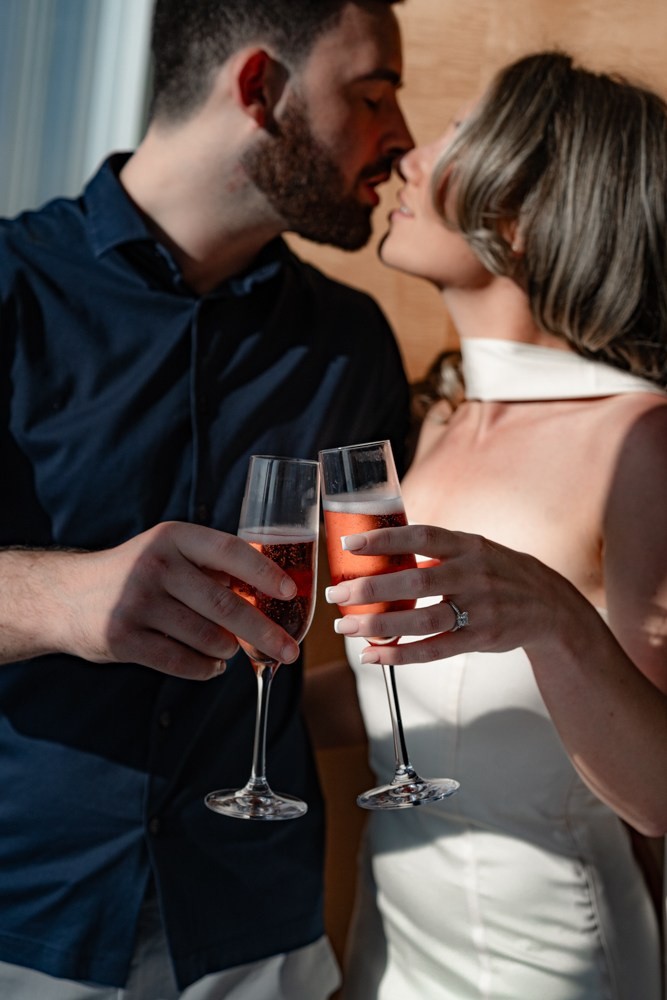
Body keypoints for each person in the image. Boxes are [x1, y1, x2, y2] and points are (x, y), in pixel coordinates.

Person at [0, 1, 413, 997]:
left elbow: (377, 612)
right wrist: (56, 598)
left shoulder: (351, 342)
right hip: (23, 917)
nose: (399, 134)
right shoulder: (12, 287)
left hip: (259, 934)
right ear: (258, 87)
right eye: (371, 94)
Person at [322, 51, 667, 999]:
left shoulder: (637, 441)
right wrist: (240, 697)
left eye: (460, 137)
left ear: (524, 213)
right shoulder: (436, 421)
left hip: (543, 966)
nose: (411, 159)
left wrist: (556, 619)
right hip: (384, 950)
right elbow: (433, 709)